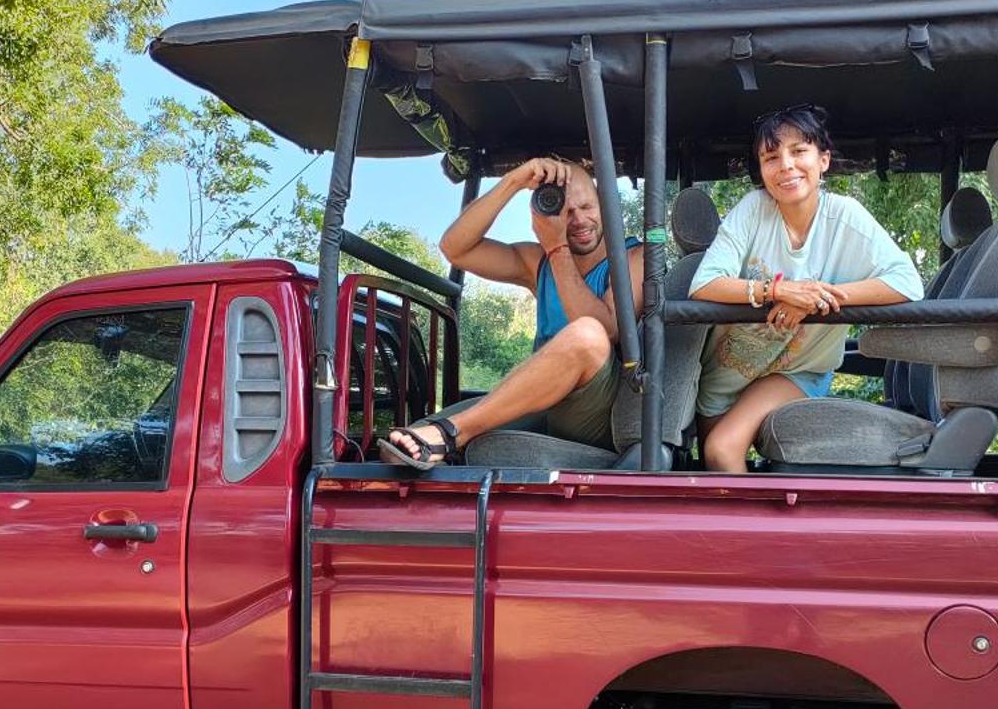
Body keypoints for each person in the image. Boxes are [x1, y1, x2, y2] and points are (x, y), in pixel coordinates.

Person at [690, 105, 923, 473]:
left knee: (722, 449)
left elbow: (907, 283)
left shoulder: (845, 217)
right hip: (726, 374)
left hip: (797, 371)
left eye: (799, 151)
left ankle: (747, 534)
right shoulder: (753, 210)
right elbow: (704, 285)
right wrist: (779, 291)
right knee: (714, 471)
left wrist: (814, 297)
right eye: (771, 156)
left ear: (824, 160)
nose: (785, 165)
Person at [378, 157, 645, 469]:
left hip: (599, 406)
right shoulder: (538, 263)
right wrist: (513, 182)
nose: (579, 220)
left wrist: (557, 249)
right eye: (565, 211)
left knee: (587, 335)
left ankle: (452, 434)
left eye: (587, 207)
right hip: (544, 400)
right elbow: (456, 248)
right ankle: (446, 452)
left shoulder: (634, 258)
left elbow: (607, 328)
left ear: (605, 205)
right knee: (400, 448)